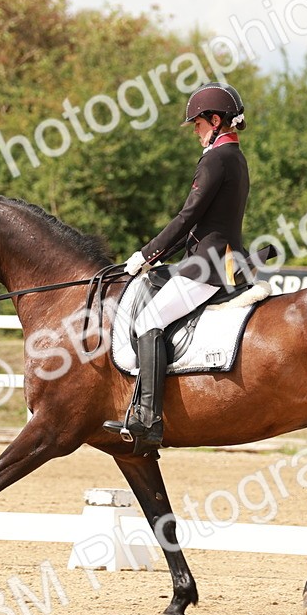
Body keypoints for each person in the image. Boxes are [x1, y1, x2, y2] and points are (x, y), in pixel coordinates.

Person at [103, 81, 250, 447]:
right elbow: (200, 225)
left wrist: (142, 256)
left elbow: (186, 219)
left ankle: (147, 417)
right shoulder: (234, 156)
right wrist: (159, 260)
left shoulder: (216, 159)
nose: (196, 132)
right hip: (217, 258)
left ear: (215, 120)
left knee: (149, 320)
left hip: (209, 265)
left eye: (198, 124)